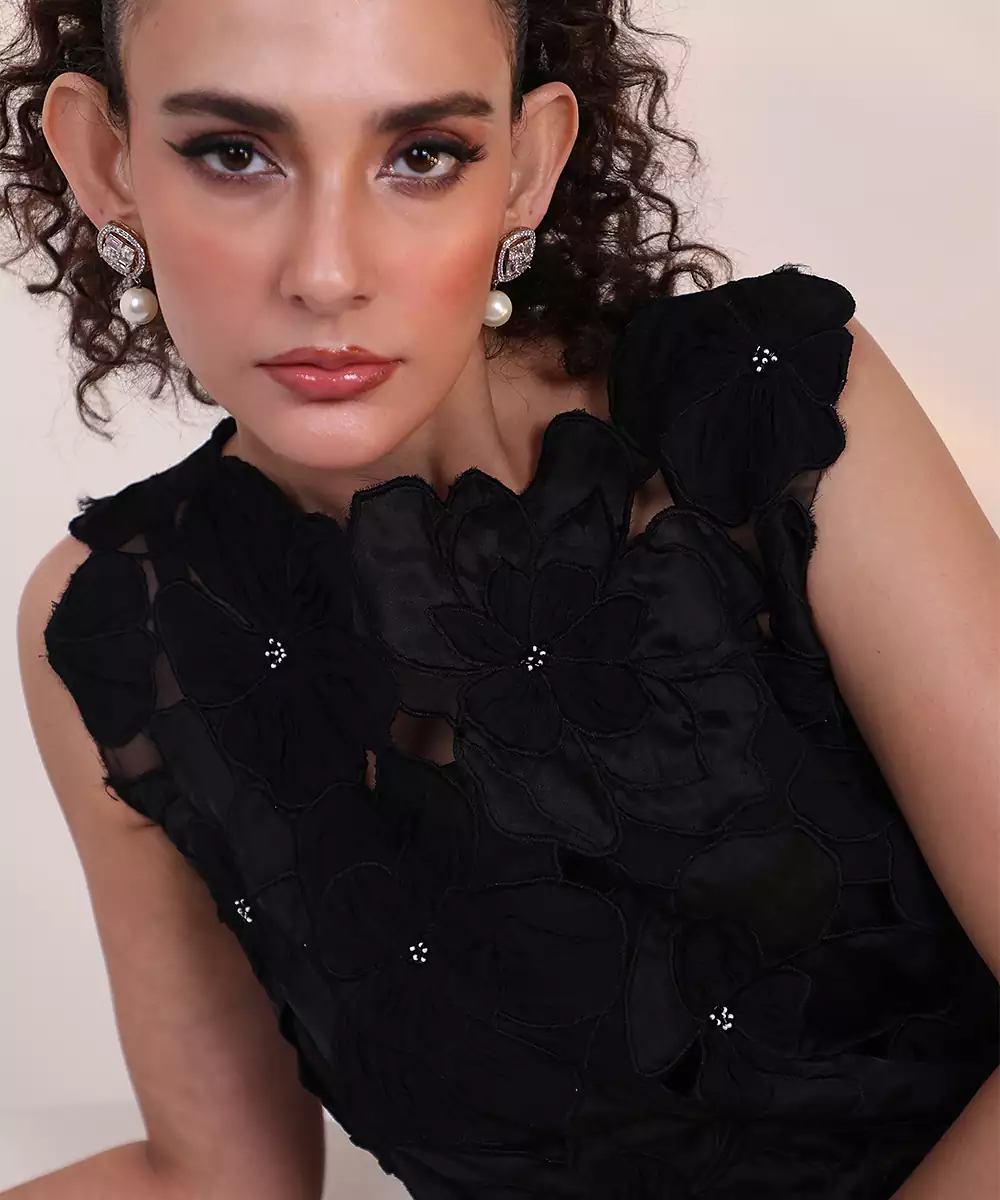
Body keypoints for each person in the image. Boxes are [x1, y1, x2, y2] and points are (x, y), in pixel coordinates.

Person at [3, 0, 997, 1196]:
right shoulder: (122, 630)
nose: (327, 274)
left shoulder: (762, 410)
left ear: (525, 167)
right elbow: (214, 1179)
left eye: (423, 155)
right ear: (106, 161)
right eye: (234, 153)